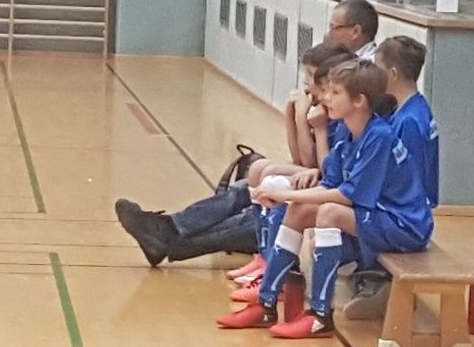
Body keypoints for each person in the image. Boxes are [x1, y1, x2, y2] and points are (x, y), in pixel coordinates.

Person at [218, 60, 434, 338]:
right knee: (299, 210)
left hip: (404, 224)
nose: (326, 98)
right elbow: (330, 182)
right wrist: (287, 199)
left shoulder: (379, 136)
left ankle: (321, 315)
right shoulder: (345, 131)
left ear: (359, 101)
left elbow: (347, 196)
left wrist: (284, 194)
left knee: (329, 212)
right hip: (377, 217)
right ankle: (266, 303)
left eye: (335, 92)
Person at [114, 43, 355, 268]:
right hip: (323, 187)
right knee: (248, 189)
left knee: (259, 208)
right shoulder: (327, 110)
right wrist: (292, 117)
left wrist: (308, 123)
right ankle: (168, 231)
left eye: (311, 79)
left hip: (337, 202)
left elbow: (317, 167)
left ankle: (166, 236)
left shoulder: (342, 120)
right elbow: (303, 160)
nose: (306, 86)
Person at [344, 36, 440, 320]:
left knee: (356, 208)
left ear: (393, 74)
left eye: (378, 67)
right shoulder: (408, 109)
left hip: (407, 212)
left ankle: (376, 279)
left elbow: (410, 179)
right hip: (408, 206)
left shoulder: (409, 122)